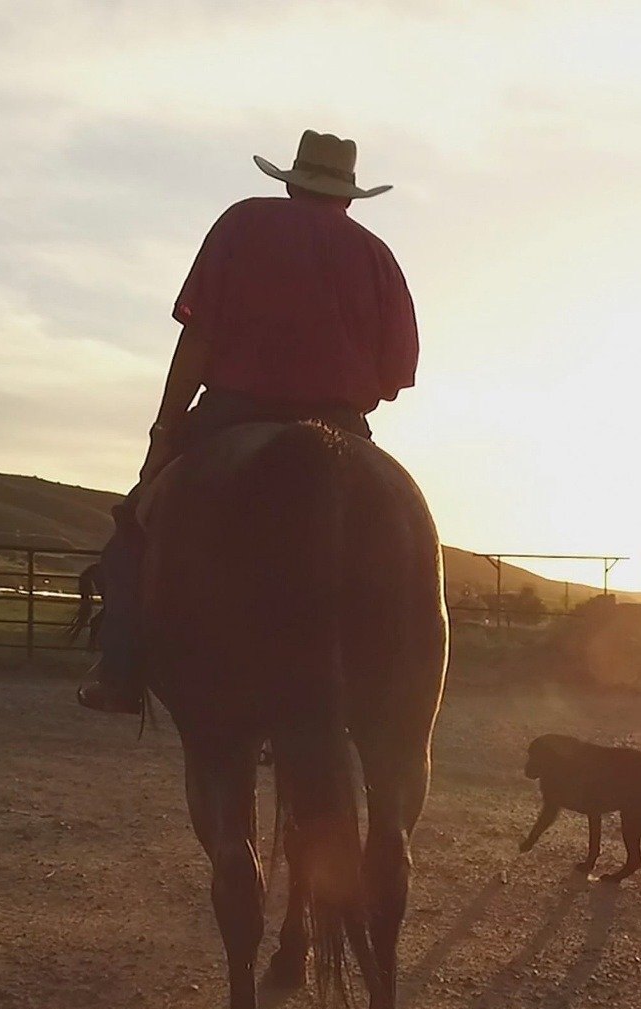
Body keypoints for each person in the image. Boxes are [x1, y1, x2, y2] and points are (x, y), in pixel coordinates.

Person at [76, 130, 418, 713]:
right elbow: (392, 379)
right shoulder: (378, 256)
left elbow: (199, 335)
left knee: (133, 528)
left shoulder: (242, 223)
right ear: (351, 196)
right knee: (403, 556)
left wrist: (163, 434)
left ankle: (122, 669)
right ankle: (398, 685)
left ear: (290, 182)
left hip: (234, 412)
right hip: (340, 425)